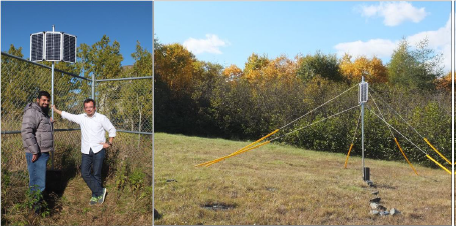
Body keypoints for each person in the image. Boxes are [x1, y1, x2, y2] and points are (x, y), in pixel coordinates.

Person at [52, 98, 116, 205]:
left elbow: (112, 129)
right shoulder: (82, 118)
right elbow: (69, 116)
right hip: (86, 150)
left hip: (98, 149)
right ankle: (100, 191)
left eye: (91, 107)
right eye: (86, 107)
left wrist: (109, 143)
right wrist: (55, 110)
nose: (89, 109)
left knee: (96, 173)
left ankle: (95, 196)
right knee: (85, 173)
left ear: (94, 107)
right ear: (84, 108)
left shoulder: (101, 118)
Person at [21, 91, 54, 214]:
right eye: (43, 100)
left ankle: (37, 209)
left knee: (39, 183)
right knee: (37, 184)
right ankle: (35, 213)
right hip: (36, 153)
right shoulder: (32, 111)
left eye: (47, 100)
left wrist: (49, 122)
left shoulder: (42, 113)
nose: (46, 102)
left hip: (42, 152)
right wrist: (35, 151)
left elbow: (40, 129)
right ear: (38, 100)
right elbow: (26, 132)